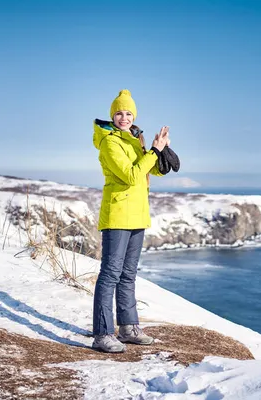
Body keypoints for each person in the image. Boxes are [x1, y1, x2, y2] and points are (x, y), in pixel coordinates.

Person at [91, 89, 170, 353]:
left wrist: (161, 154)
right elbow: (131, 176)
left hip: (137, 213)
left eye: (128, 113)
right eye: (119, 112)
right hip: (117, 214)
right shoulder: (110, 143)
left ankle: (128, 328)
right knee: (110, 274)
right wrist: (153, 152)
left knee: (128, 274)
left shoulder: (134, 140)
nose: (124, 117)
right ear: (111, 115)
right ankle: (102, 333)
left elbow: (148, 173)